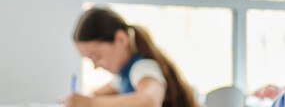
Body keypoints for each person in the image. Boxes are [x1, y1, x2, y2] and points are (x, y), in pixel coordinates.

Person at [63, 7, 197, 107]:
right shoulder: (122, 77)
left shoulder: (142, 68)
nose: (95, 65)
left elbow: (150, 101)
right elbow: (96, 94)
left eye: (96, 56)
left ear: (121, 39)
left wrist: (91, 103)